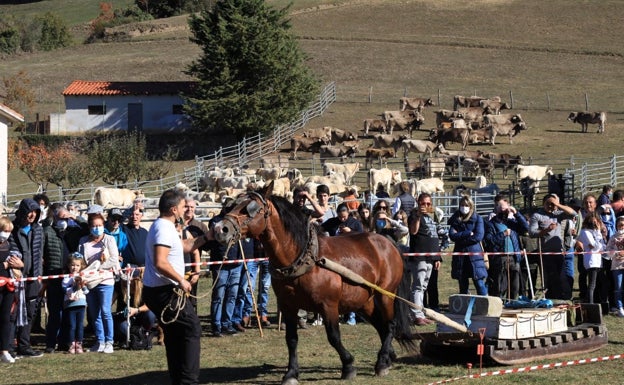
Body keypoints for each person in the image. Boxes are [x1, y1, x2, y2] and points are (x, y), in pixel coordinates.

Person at [142, 189, 210, 385]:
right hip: (165, 292)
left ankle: (178, 379)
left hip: (160, 291)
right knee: (191, 328)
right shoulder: (163, 228)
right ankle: (188, 381)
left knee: (174, 333)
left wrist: (208, 237)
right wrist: (181, 280)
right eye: (182, 207)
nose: (184, 210)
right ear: (173, 209)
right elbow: (160, 262)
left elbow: (184, 246)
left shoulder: (165, 227)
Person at [78, 212, 121, 354]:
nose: (97, 228)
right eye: (94, 226)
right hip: (90, 282)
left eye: (100, 225)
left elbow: (114, 258)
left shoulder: (109, 240)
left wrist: (98, 269)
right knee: (93, 312)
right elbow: (81, 261)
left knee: (105, 311)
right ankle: (100, 341)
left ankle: (110, 341)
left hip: (105, 280)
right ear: (90, 227)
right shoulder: (83, 241)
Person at [9, 198, 44, 358]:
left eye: (35, 212)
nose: (32, 215)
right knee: (12, 313)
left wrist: (39, 276)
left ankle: (24, 345)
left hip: (33, 278)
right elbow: (11, 250)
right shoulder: (12, 229)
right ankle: (8, 347)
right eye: (30, 211)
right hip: (15, 278)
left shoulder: (38, 230)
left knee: (30, 313)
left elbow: (39, 254)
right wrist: (19, 264)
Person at [529, 193, 577, 300]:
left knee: (561, 277)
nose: (551, 206)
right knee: (551, 278)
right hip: (546, 252)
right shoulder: (537, 215)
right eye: (548, 203)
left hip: (559, 252)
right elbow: (532, 233)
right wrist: (547, 230)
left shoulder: (558, 214)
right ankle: (551, 298)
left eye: (553, 204)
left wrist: (558, 205)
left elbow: (573, 213)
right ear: (543, 203)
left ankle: (561, 298)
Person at [207, 198, 243, 337]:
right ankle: (216, 325)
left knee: (232, 295)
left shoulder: (236, 221)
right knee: (219, 295)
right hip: (220, 263)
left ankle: (227, 323)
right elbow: (216, 236)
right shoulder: (216, 221)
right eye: (230, 207)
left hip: (235, 263)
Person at [407, 193, 443, 325]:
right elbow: (413, 231)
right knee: (417, 286)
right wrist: (418, 216)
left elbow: (434, 238)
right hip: (419, 256)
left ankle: (420, 312)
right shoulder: (414, 215)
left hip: (431, 257)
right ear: (418, 202)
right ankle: (417, 315)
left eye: (428, 204)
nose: (426, 206)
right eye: (423, 203)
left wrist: (437, 257)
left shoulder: (430, 217)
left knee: (423, 286)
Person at [483, 199, 529, 301]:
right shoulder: (491, 224)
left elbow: (525, 227)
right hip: (500, 258)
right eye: (501, 209)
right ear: (496, 209)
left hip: (514, 257)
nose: (503, 212)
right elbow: (488, 241)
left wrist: (516, 213)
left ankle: (514, 304)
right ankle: (500, 305)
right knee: (500, 286)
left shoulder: (512, 223)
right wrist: (503, 234)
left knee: (515, 286)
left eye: (505, 209)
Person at [41, 203, 72, 353]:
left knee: (68, 312)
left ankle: (65, 342)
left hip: (69, 277)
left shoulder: (71, 231)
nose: (64, 220)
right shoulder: (47, 232)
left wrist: (74, 217)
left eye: (67, 217)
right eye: (62, 217)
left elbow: (86, 226)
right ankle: (51, 343)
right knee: (54, 312)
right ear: (54, 217)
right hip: (53, 278)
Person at [448, 195, 487, 296]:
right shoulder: (455, 219)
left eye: (466, 205)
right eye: (462, 205)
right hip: (460, 256)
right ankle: (464, 308)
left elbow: (478, 236)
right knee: (462, 284)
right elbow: (452, 235)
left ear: (471, 206)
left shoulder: (478, 219)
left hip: (474, 256)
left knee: (479, 283)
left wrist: (460, 237)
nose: (464, 207)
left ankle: (484, 305)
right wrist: (467, 233)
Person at [116, 268, 158, 349]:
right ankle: (132, 336)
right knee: (123, 328)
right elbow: (110, 301)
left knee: (151, 315)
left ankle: (145, 333)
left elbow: (149, 305)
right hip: (125, 317)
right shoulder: (119, 286)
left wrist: (136, 310)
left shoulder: (145, 287)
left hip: (141, 315)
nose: (126, 281)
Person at [0, 217, 23, 363]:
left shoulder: (10, 245)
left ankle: (5, 350)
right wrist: (4, 266)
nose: (5, 234)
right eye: (3, 230)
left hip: (8, 287)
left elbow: (18, 262)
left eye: (8, 231)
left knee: (5, 319)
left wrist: (19, 264)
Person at [575, 213, 606, 304]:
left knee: (599, 283)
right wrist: (598, 233)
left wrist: (598, 234)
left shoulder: (595, 232)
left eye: (596, 223)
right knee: (592, 284)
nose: (594, 225)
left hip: (598, 260)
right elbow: (594, 246)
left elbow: (602, 247)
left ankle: (592, 301)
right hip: (591, 260)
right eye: (592, 223)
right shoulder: (585, 232)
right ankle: (590, 304)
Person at [61, 252, 89, 354]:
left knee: (80, 325)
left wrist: (82, 284)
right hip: (70, 304)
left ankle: (79, 344)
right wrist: (74, 285)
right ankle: (71, 344)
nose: (75, 267)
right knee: (72, 325)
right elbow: (65, 290)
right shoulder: (66, 278)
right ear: (68, 265)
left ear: (81, 266)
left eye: (77, 265)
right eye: (72, 265)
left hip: (81, 304)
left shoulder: (82, 276)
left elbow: (86, 292)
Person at [607, 217, 624, 317]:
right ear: (616, 226)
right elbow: (607, 251)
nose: (621, 227)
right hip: (616, 266)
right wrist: (615, 253)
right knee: (618, 287)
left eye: (623, 225)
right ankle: (620, 307)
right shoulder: (613, 237)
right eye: (619, 225)